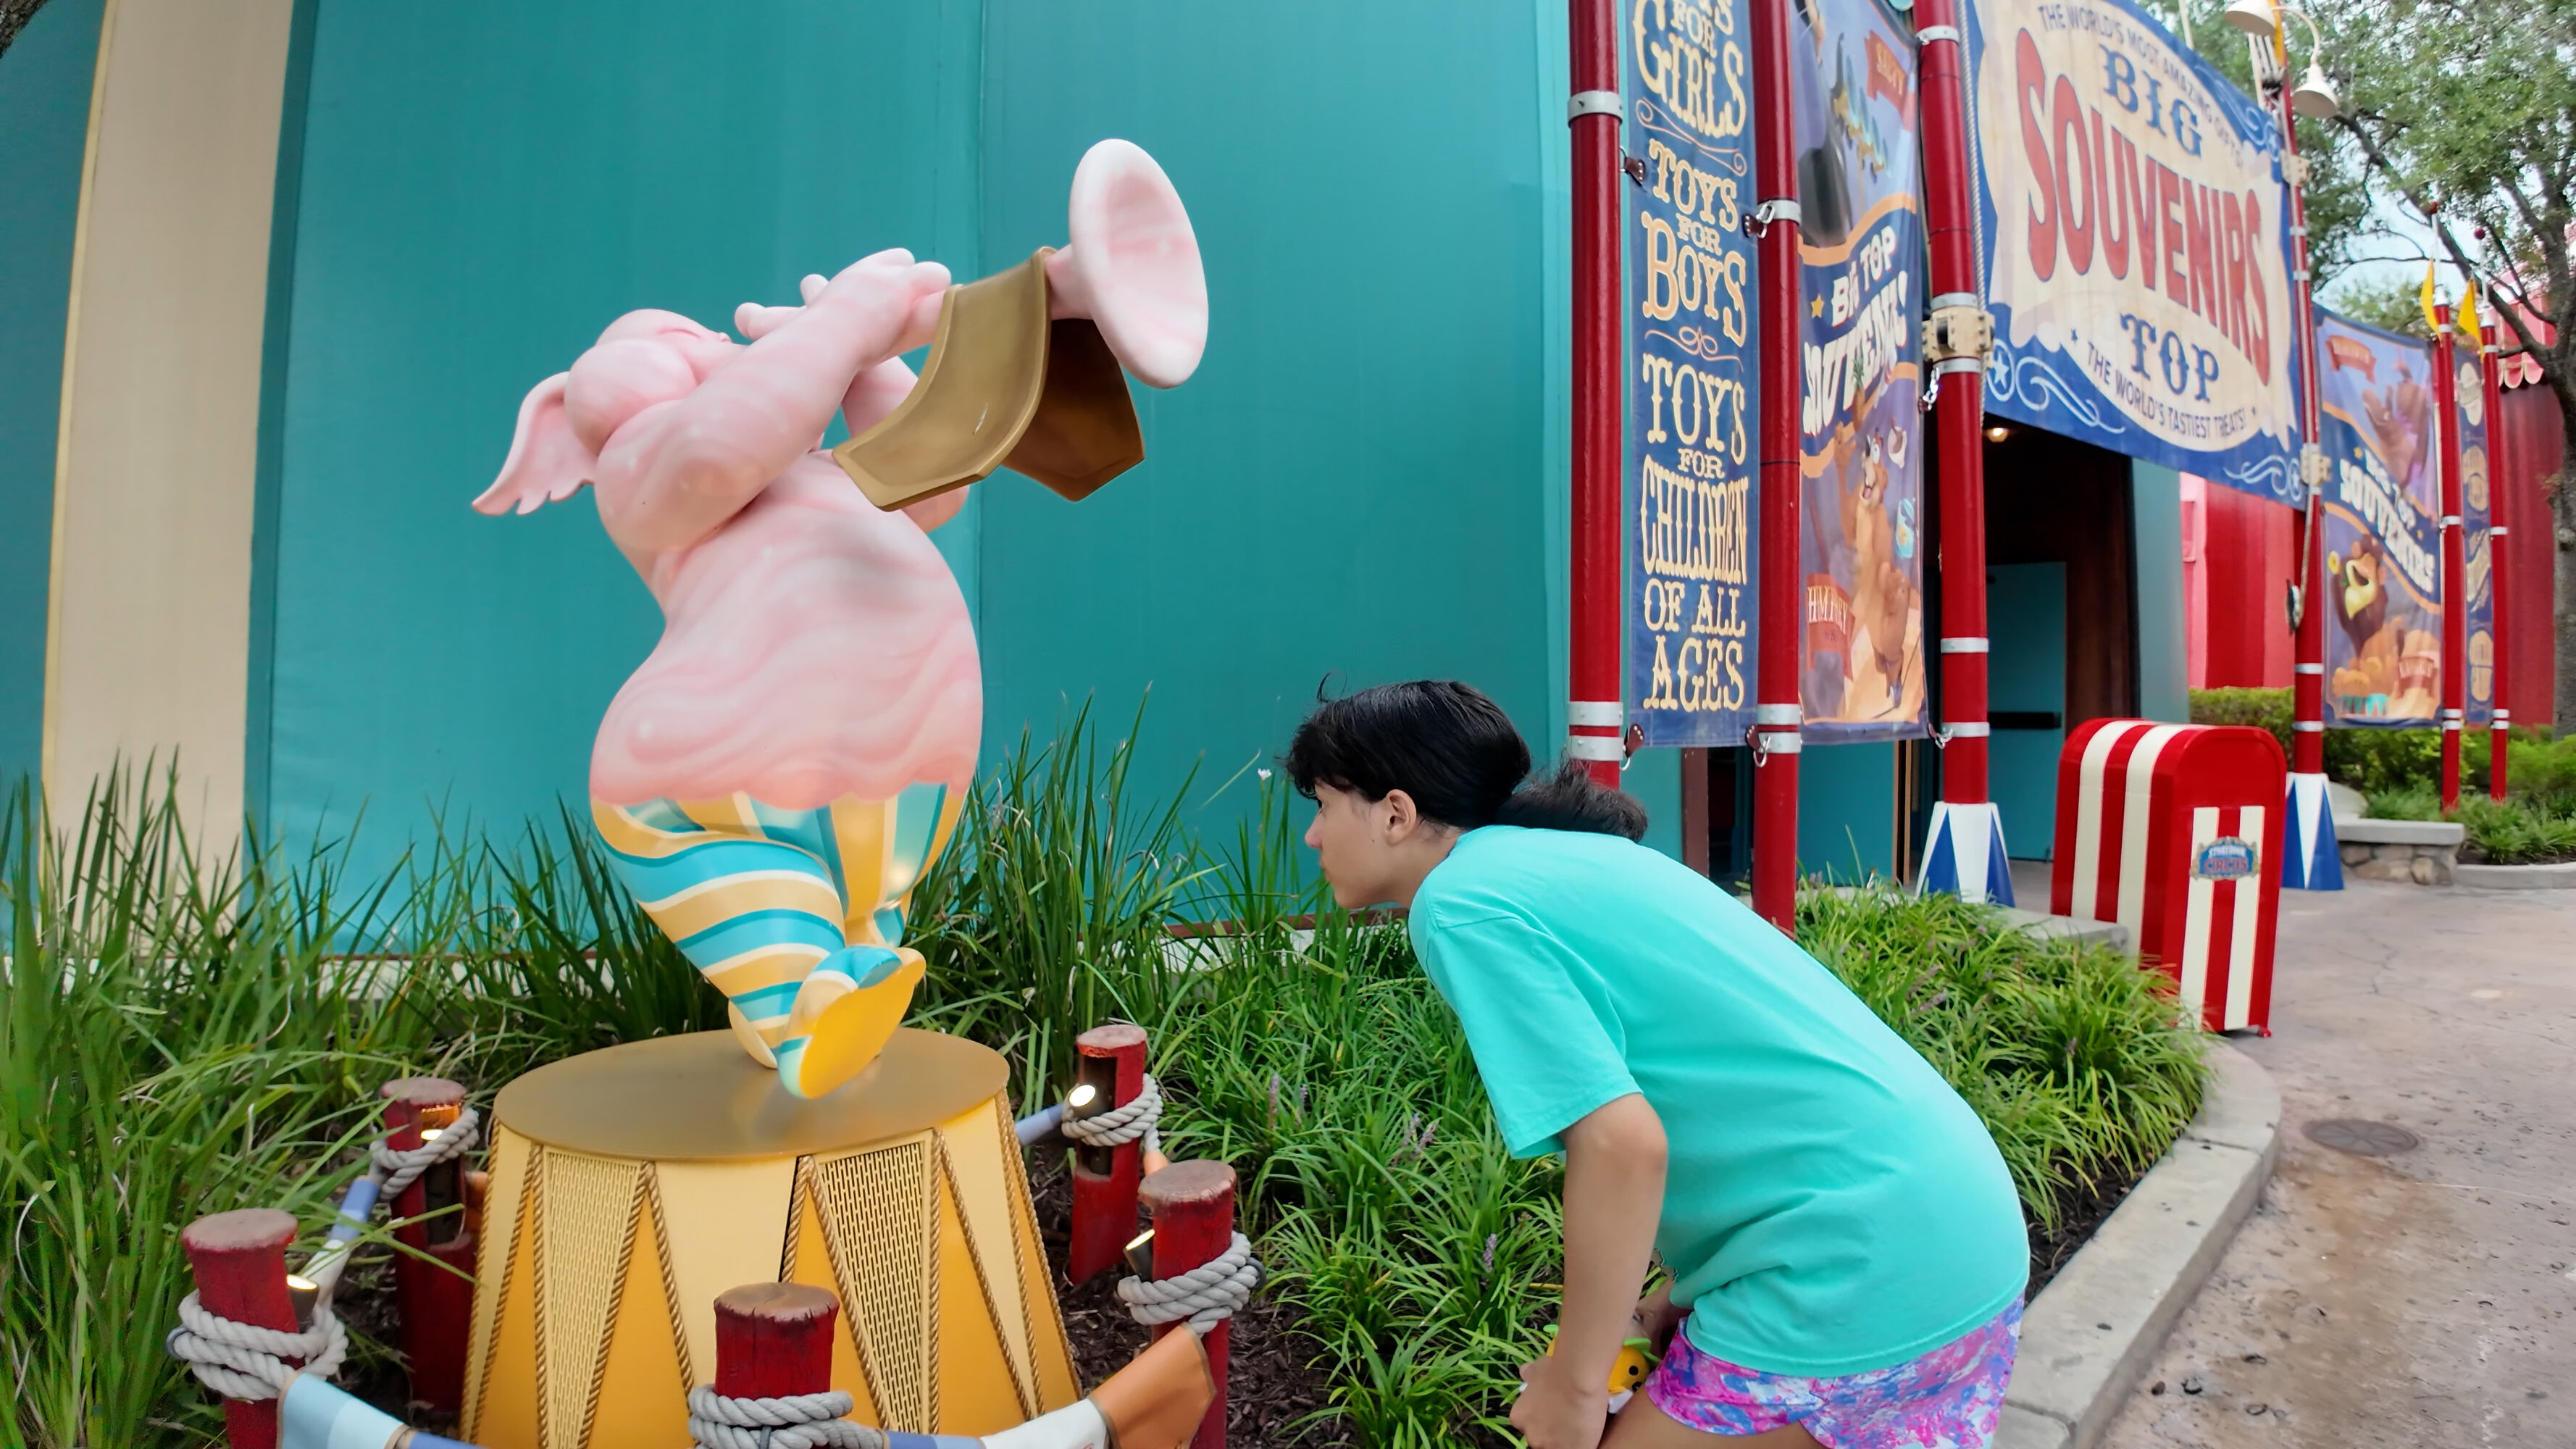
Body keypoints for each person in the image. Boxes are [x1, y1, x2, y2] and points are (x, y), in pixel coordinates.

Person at [1285, 681, 2028, 1449]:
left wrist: (1574, 1388)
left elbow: (1621, 1144)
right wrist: (1664, 1299)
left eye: (1324, 804)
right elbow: (1737, 1091)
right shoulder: (1565, 855)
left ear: (1395, 814)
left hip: (1853, 1269)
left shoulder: (1463, 901)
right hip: (1960, 1235)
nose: (1313, 837)